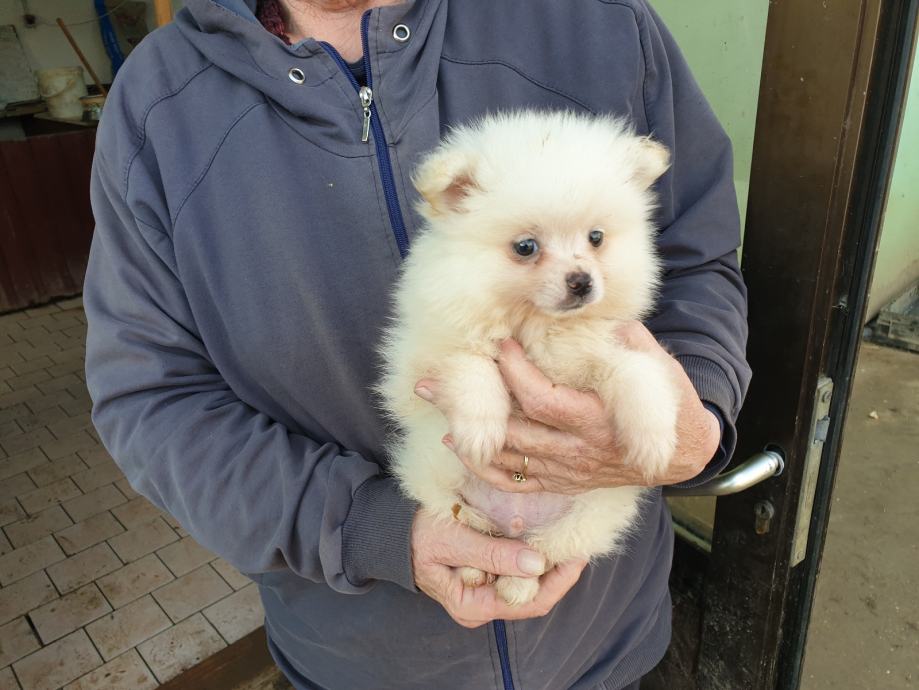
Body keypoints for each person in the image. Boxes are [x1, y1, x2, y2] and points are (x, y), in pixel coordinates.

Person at [83, 1, 751, 688]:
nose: (576, 271)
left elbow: (697, 259)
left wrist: (695, 410)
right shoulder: (158, 107)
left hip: (604, 643)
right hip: (359, 661)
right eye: (527, 248)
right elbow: (150, 398)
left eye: (592, 241)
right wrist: (364, 528)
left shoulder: (597, 19)